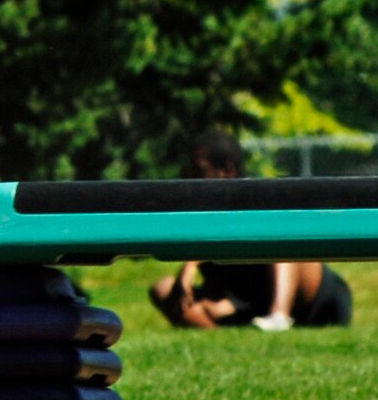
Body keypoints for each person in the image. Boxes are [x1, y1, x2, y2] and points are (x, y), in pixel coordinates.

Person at [147, 129, 353, 331]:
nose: (190, 178)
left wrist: (194, 268)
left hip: (315, 302)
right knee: (163, 288)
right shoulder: (197, 217)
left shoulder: (255, 201)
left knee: (281, 233)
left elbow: (263, 258)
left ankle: (279, 316)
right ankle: (221, 337)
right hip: (252, 306)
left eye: (199, 170)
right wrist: (193, 275)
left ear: (227, 171)